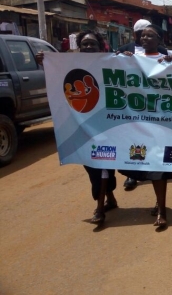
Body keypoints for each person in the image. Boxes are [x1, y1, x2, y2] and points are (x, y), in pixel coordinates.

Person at [36, 30, 118, 225]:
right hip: (82, 125)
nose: (89, 47)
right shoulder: (69, 65)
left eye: (93, 44)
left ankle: (99, 210)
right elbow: (56, 78)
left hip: (108, 124)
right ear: (79, 47)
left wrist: (129, 58)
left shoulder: (112, 61)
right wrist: (44, 61)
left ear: (101, 47)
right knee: (91, 166)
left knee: (104, 165)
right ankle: (111, 198)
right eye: (85, 44)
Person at [118, 24, 172, 228]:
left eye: (150, 36)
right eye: (143, 36)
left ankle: (162, 208)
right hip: (137, 123)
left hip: (162, 123)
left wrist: (171, 62)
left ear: (158, 39)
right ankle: (157, 201)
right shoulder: (130, 59)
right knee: (141, 161)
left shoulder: (167, 60)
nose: (145, 39)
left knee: (158, 165)